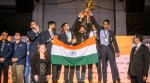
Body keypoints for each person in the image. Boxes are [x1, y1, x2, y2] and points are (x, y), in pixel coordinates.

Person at [87, 11, 102, 83]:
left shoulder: (99, 32)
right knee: (89, 66)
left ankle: (99, 79)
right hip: (90, 51)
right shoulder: (89, 32)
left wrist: (97, 37)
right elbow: (87, 26)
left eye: (94, 25)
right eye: (92, 26)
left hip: (97, 51)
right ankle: (90, 79)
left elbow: (101, 41)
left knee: (98, 66)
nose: (93, 26)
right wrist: (87, 18)